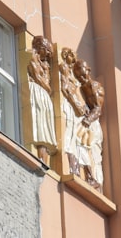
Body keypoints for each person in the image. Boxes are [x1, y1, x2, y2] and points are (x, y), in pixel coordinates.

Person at [74, 58, 105, 191]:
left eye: (83, 73)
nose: (81, 78)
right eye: (78, 76)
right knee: (83, 147)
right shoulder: (83, 86)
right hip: (89, 123)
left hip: (93, 125)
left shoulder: (94, 86)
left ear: (88, 71)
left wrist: (88, 119)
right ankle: (90, 178)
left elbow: (98, 109)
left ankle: (96, 181)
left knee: (94, 153)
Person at [26, 36, 56, 165]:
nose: (48, 55)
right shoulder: (32, 55)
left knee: (44, 127)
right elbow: (37, 77)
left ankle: (43, 159)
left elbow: (44, 79)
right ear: (41, 48)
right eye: (47, 51)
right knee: (38, 125)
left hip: (43, 96)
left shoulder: (44, 64)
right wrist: (48, 88)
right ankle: (40, 159)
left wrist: (46, 72)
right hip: (37, 92)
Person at [59, 47, 86, 176]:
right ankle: (71, 165)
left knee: (75, 135)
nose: (74, 60)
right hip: (69, 105)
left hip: (74, 104)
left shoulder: (69, 70)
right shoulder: (63, 68)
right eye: (72, 57)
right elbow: (65, 88)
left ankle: (75, 165)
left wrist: (80, 105)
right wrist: (75, 104)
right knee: (69, 133)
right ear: (65, 55)